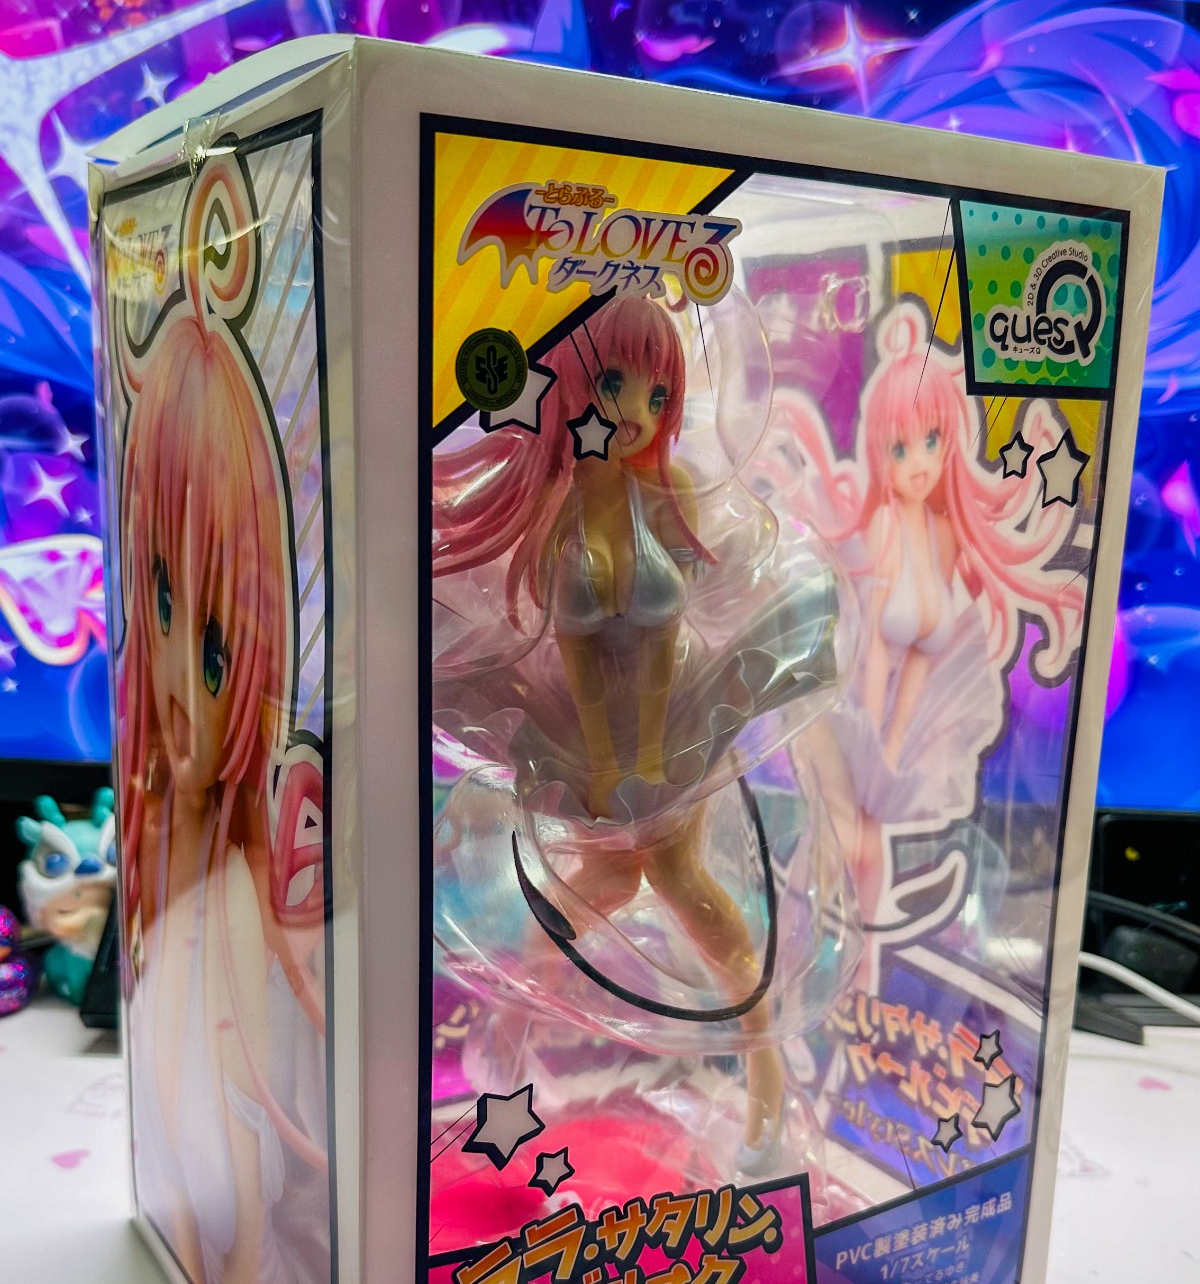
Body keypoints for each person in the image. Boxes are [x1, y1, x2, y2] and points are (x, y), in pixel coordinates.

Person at [432, 290, 846, 1167]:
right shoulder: (555, 510)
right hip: (586, 731)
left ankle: (764, 1078)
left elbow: (674, 630)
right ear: (573, 387)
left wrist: (652, 758)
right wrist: (604, 761)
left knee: (679, 881)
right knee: (610, 881)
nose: (635, 411)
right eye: (614, 384)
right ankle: (507, 1038)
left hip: (671, 721)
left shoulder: (671, 492)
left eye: (658, 395)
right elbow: (573, 650)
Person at [116, 153, 326, 1284]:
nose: (186, 703)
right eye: (157, 597)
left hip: (241, 1239)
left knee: (237, 1183)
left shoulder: (242, 882)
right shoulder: (160, 833)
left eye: (215, 651)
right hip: (179, 1193)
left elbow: (243, 1149)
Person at [773, 300, 1086, 938]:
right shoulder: (884, 527)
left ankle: (852, 957)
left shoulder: (944, 536)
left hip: (905, 720)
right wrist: (869, 742)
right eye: (900, 447)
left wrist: (891, 751)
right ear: (879, 453)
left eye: (932, 440)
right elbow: (873, 649)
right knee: (843, 838)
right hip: (841, 706)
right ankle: (804, 935)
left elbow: (922, 652)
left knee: (865, 846)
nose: (919, 461)